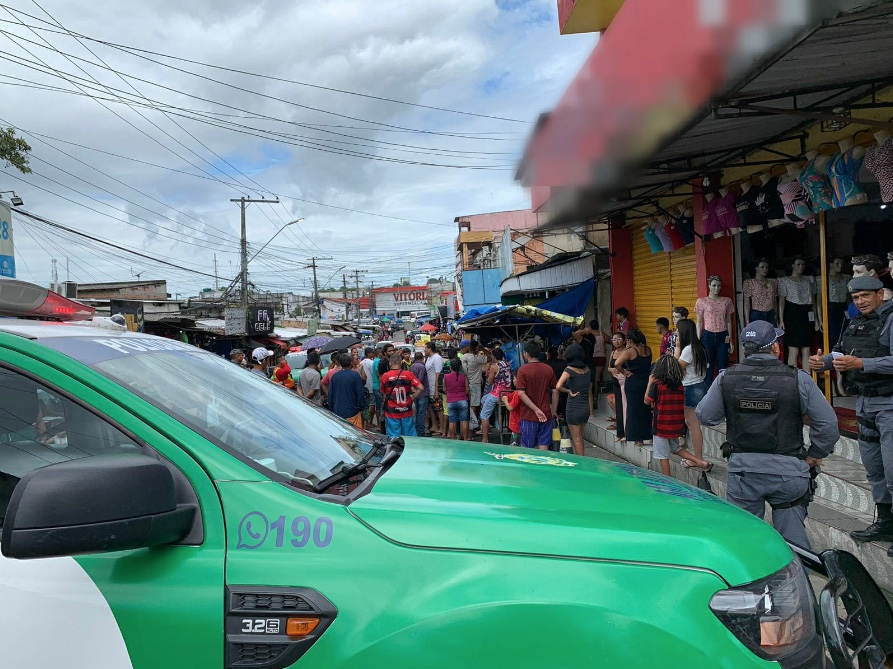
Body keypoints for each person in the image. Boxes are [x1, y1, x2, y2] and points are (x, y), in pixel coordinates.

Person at [699, 321, 838, 549]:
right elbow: (828, 424)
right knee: (794, 546)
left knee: (743, 542)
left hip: (744, 473)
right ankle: (795, 582)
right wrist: (815, 453)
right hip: (789, 474)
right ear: (775, 348)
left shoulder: (726, 378)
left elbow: (706, 416)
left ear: (746, 349)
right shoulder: (798, 379)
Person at [809, 276, 893, 551]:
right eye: (856, 298)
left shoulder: (891, 319)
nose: (860, 302)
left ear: (880, 294)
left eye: (866, 296)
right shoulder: (856, 322)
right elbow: (843, 353)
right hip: (864, 402)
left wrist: (862, 363)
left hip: (889, 403)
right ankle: (885, 522)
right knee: (874, 468)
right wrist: (824, 362)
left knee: (892, 469)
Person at [645, 355, 712, 477]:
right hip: (675, 424)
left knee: (662, 455)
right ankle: (700, 462)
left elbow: (646, 401)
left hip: (661, 425)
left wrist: (649, 383)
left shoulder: (657, 384)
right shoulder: (679, 385)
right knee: (675, 448)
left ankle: (668, 479)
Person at [674, 318, 708, 465]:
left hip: (691, 388)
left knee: (692, 424)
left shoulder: (688, 349)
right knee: (692, 423)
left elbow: (675, 367)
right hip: (698, 385)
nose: (676, 333)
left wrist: (677, 348)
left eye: (678, 330)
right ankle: (696, 457)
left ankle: (698, 458)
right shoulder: (698, 346)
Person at [514, 340, 558, 450]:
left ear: (527, 353)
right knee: (544, 445)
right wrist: (554, 410)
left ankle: (529, 467)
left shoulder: (522, 370)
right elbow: (555, 390)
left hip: (528, 415)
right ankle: (543, 467)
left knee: (528, 448)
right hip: (546, 413)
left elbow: (521, 393)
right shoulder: (548, 369)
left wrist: (536, 410)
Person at [612, 329, 653, 446]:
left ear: (629, 340)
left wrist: (624, 372)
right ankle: (649, 434)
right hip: (646, 382)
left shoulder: (630, 351)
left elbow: (616, 364)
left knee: (633, 410)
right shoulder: (648, 349)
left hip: (633, 382)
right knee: (646, 409)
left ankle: (637, 438)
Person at [555, 343, 591, 456]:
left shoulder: (569, 370)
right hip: (585, 407)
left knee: (576, 439)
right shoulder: (587, 370)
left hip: (574, 407)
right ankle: (582, 459)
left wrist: (568, 391)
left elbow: (558, 386)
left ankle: (581, 464)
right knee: (580, 437)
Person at [381, 352, 424, 437]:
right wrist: (412, 397)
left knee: (393, 436)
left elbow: (383, 392)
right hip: (406, 410)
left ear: (390, 363)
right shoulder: (408, 374)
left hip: (392, 411)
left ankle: (396, 450)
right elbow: (421, 388)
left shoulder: (385, 376)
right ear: (401, 362)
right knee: (409, 435)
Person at [327, 352, 367, 428]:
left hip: (338, 412)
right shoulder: (355, 375)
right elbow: (360, 394)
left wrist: (332, 409)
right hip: (353, 412)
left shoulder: (335, 376)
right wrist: (362, 407)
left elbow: (330, 395)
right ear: (351, 363)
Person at [461, 340, 488, 428]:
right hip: (475, 385)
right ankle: (472, 426)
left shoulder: (464, 357)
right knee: (474, 406)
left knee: (467, 406)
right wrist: (483, 349)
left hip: (465, 384)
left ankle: (468, 426)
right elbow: (490, 358)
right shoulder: (477, 358)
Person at [443, 358, 471, 440]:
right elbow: (467, 389)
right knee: (464, 421)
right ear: (460, 367)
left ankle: (452, 439)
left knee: (452, 421)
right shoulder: (463, 377)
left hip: (451, 401)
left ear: (450, 367)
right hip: (462, 400)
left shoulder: (446, 377)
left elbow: (444, 389)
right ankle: (465, 438)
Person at [606, 331, 627, 440]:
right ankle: (620, 433)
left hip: (625, 382)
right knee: (619, 408)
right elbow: (609, 367)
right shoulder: (612, 353)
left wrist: (620, 370)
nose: (616, 341)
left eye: (619, 339)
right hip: (615, 382)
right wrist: (613, 369)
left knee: (625, 408)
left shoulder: (627, 352)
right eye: (614, 339)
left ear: (624, 340)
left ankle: (626, 433)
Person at [424, 341, 445, 436]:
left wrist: (436, 390)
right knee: (430, 407)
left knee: (439, 408)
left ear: (429, 349)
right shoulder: (428, 358)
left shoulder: (437, 358)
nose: (424, 350)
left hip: (435, 389)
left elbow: (438, 374)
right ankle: (435, 425)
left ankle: (442, 428)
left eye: (425, 348)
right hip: (429, 388)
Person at [409, 351, 429, 436]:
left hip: (415, 392)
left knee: (417, 412)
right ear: (422, 358)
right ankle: (420, 431)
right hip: (422, 392)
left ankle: (417, 429)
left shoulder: (412, 366)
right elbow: (420, 379)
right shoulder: (422, 367)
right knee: (421, 413)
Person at [360, 348, 377, 429]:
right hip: (371, 386)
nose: (373, 354)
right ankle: (369, 422)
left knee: (366, 405)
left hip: (363, 386)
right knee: (372, 404)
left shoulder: (361, 363)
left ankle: (365, 422)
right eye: (372, 353)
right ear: (369, 354)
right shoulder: (372, 363)